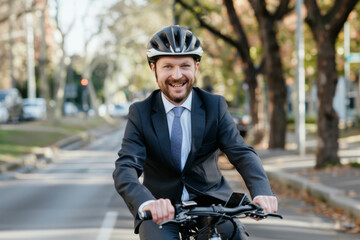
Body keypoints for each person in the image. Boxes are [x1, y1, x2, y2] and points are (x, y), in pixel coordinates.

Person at [113, 25, 278, 240]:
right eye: (168, 67)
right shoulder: (140, 112)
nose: (177, 75)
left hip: (212, 203)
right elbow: (125, 167)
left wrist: (262, 191)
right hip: (162, 207)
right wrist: (147, 202)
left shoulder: (214, 106)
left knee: (236, 237)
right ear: (153, 69)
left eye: (185, 65)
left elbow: (241, 152)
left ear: (196, 68)